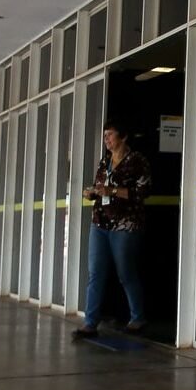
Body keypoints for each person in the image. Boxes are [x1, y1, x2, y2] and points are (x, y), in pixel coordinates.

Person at [73, 120, 151, 339]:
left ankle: (137, 318)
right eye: (105, 135)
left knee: (125, 273)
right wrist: (92, 192)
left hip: (125, 224)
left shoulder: (137, 161)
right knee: (95, 272)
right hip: (100, 222)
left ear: (123, 137)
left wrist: (113, 191)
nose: (106, 139)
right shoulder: (104, 161)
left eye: (110, 134)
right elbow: (101, 187)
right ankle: (90, 323)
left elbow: (143, 192)